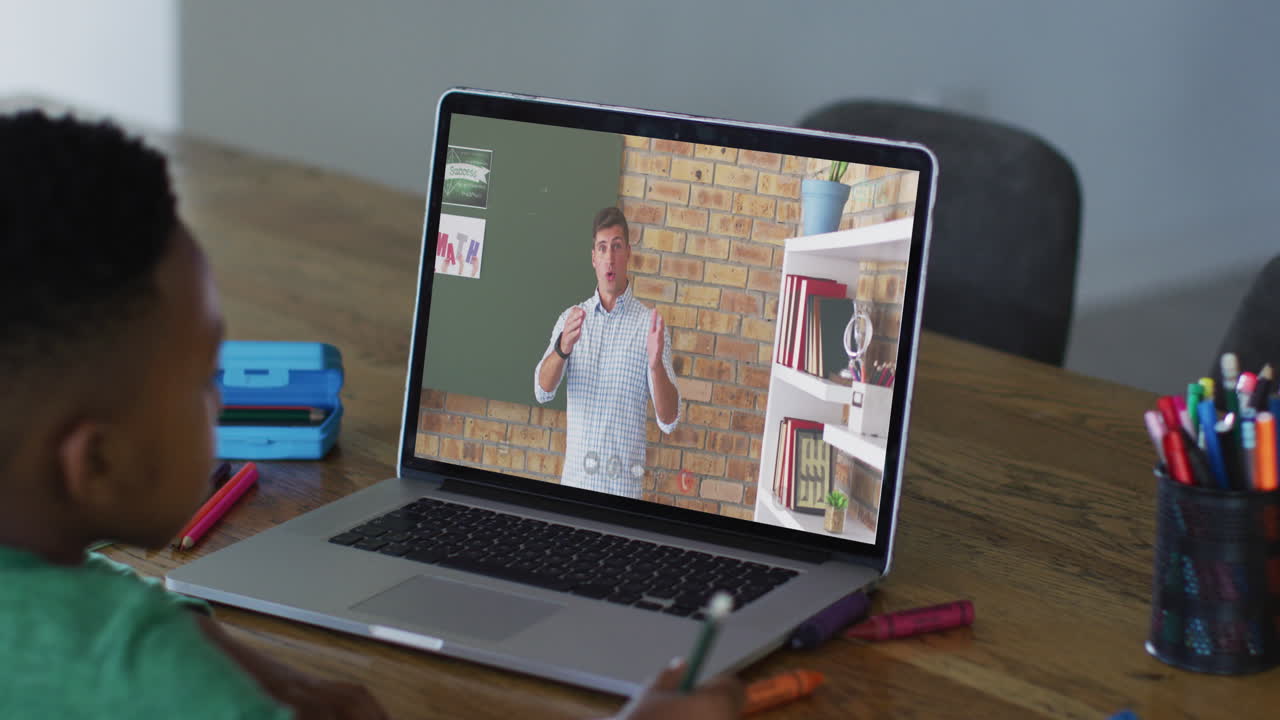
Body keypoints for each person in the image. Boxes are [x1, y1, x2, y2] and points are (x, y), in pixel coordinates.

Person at [0, 112, 740, 720]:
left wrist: (200, 637)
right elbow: (542, 386)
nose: (221, 400)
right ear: (96, 461)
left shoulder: (63, 599)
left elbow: (85, 591)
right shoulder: (153, 677)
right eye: (203, 379)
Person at [535, 208, 681, 499]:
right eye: (602, 248)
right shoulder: (572, 319)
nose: (610, 257)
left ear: (628, 253)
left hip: (623, 494)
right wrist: (562, 349)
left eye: (616, 246)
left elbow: (670, 421)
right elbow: (542, 390)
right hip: (574, 488)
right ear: (593, 258)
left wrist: (655, 366)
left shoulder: (650, 326)